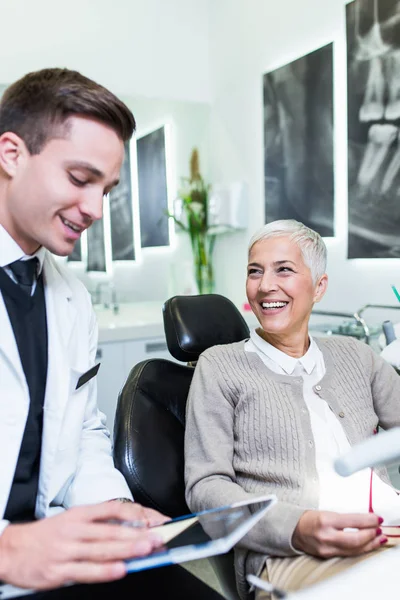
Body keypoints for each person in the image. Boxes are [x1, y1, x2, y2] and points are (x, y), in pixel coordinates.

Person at [0, 68, 223, 600]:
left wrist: (114, 508)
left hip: (63, 551)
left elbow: (81, 432)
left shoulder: (71, 299)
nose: (96, 210)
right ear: (11, 154)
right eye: (80, 179)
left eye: (107, 189)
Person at [184, 219, 400, 600]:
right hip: (291, 553)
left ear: (319, 287)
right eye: (255, 271)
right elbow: (206, 487)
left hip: (386, 531)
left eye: (283, 269)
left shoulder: (356, 356)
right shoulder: (219, 366)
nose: (266, 285)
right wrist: (297, 526)